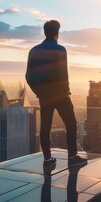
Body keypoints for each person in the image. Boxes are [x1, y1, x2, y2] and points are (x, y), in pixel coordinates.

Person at [26, 20, 87, 170]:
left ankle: (48, 159)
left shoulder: (33, 51)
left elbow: (28, 76)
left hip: (44, 96)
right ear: (56, 33)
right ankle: (72, 157)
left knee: (45, 127)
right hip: (60, 95)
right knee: (71, 124)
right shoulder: (60, 50)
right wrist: (65, 91)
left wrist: (38, 92)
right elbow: (62, 73)